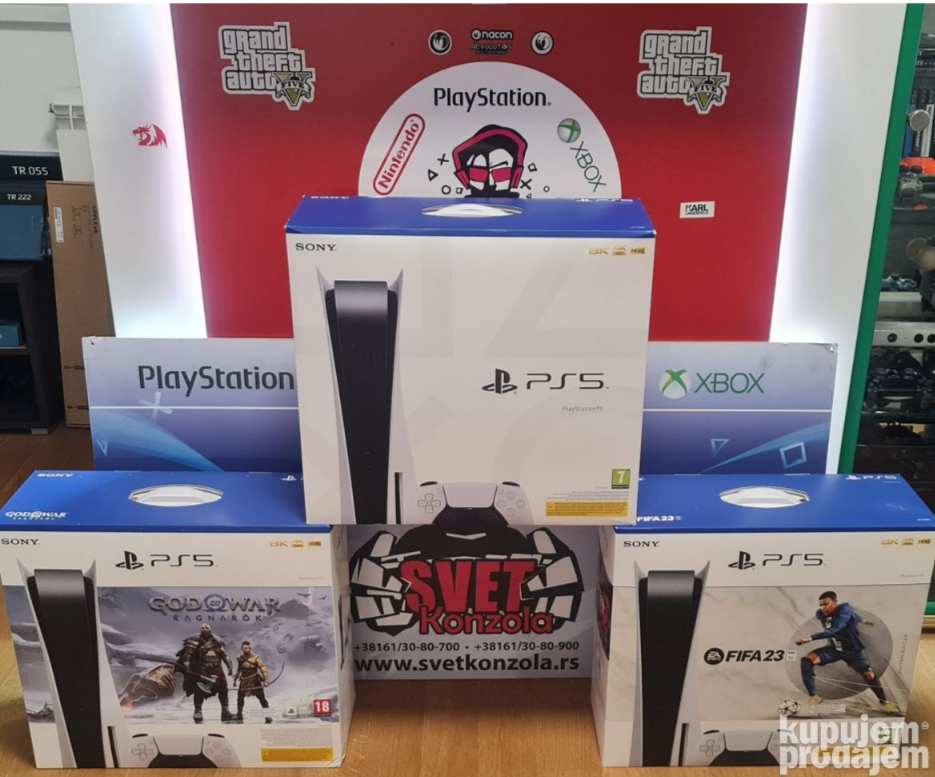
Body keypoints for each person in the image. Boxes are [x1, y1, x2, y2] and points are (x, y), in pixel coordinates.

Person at [795, 591, 898, 714]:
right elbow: (854, 615)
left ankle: (884, 703)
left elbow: (837, 629)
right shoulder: (820, 614)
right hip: (834, 649)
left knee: (869, 675)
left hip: (853, 651)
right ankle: (814, 697)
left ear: (835, 602)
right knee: (807, 660)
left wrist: (810, 638)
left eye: (826, 604)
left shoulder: (844, 610)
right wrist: (864, 621)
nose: (823, 608)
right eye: (821, 605)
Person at [177, 624, 234, 723]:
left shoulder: (217, 641)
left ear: (210, 629)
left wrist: (230, 667)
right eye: (203, 628)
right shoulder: (194, 640)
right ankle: (198, 711)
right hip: (202, 669)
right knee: (199, 690)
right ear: (200, 630)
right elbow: (188, 655)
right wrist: (187, 666)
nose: (205, 629)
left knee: (223, 689)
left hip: (217, 669)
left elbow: (224, 655)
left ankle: (225, 711)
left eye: (207, 628)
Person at [234, 641, 271, 723]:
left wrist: (266, 680)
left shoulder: (256, 658)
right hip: (244, 681)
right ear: (242, 648)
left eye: (249, 648)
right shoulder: (240, 658)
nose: (248, 649)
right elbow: (239, 669)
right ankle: (239, 715)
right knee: (240, 698)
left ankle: (268, 716)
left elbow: (263, 668)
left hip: (255, 681)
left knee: (262, 698)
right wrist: (235, 679)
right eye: (246, 648)